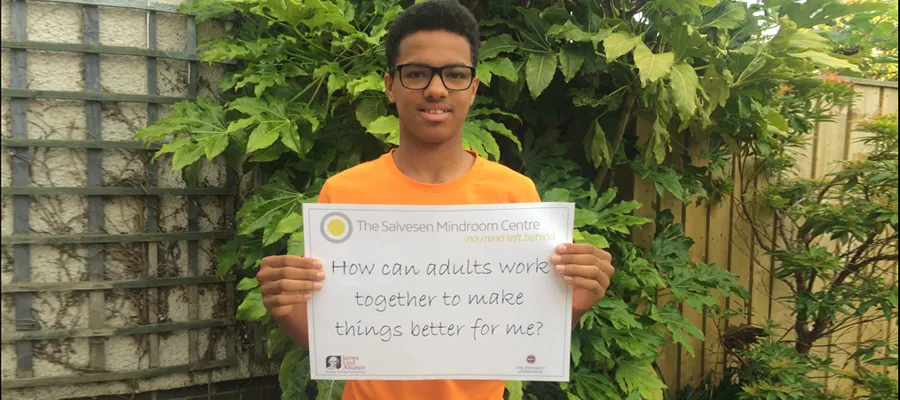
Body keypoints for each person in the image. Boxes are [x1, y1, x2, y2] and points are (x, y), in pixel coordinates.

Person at [256, 1, 616, 399]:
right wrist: (284, 306)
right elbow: (333, 338)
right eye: (416, 73)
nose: (436, 89)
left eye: (455, 75)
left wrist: (578, 300)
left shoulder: (514, 195)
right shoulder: (345, 194)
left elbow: (524, 334)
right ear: (389, 86)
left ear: (473, 88)